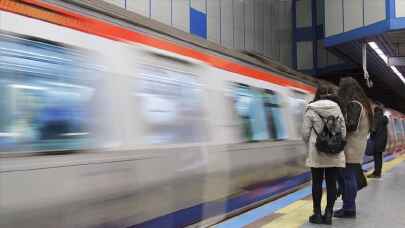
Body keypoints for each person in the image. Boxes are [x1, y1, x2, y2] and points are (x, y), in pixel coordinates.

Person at [302, 84, 346, 225]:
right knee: (332, 184)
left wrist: (311, 142)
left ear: (317, 94)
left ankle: (317, 214)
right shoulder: (337, 108)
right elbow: (343, 133)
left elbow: (305, 133)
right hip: (333, 153)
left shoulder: (311, 109)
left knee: (317, 183)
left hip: (316, 152)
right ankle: (328, 214)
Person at [334, 77, 373, 218]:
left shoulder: (354, 104)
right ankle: (348, 206)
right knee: (348, 177)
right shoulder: (362, 104)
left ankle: (349, 208)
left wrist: (337, 124)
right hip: (356, 147)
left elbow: (351, 126)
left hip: (350, 148)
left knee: (348, 178)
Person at [368, 104, 388, 178]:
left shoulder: (376, 118)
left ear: (375, 111)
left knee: (377, 159)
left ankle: (376, 173)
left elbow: (373, 130)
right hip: (382, 142)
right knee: (379, 158)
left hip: (376, 142)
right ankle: (377, 172)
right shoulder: (384, 119)